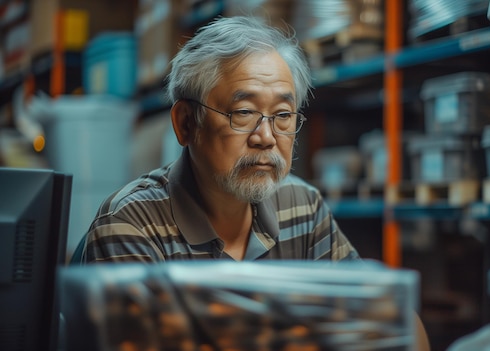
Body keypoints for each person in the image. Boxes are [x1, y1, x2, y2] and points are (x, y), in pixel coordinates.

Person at [70, 15, 429, 350]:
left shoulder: (301, 205)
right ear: (185, 124)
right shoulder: (130, 227)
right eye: (243, 113)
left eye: (283, 116)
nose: (266, 137)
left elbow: (394, 322)